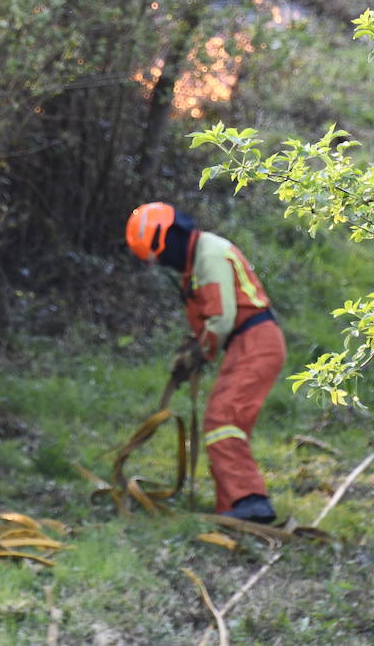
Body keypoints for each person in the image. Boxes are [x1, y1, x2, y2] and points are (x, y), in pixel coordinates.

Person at [124, 202, 285, 523]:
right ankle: (232, 508)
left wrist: (199, 353)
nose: (165, 264)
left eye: (161, 256)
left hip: (255, 342)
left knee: (223, 420)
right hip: (247, 343)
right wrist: (197, 351)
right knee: (224, 423)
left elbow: (221, 319)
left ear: (166, 239)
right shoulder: (199, 257)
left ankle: (251, 501)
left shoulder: (209, 256)